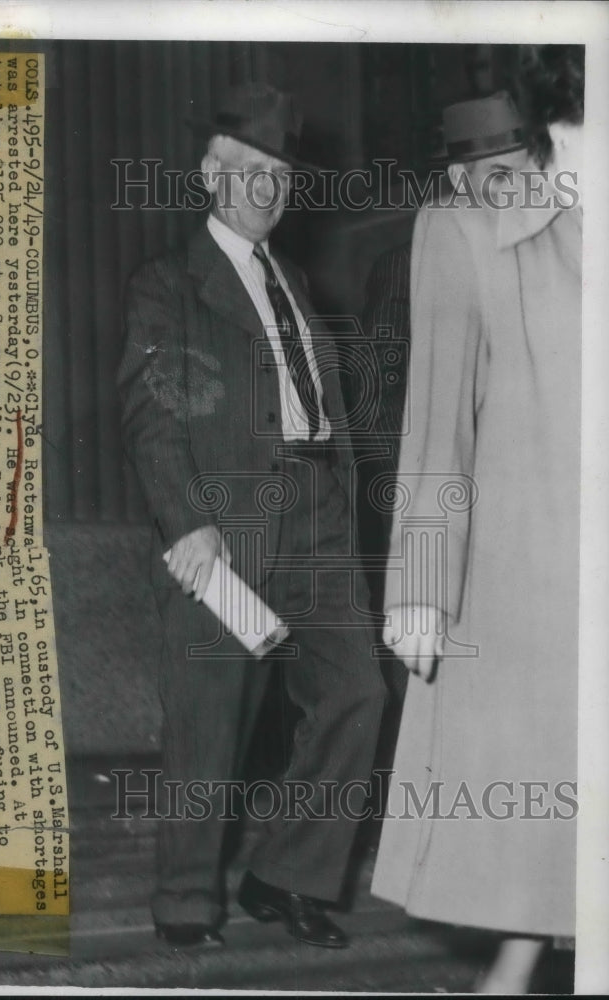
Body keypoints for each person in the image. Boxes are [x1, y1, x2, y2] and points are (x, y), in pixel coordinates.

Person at [118, 83, 385, 950]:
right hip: (224, 519)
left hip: (316, 512)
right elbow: (152, 417)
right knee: (209, 712)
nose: (267, 189)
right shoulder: (170, 285)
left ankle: (286, 876)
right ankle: (187, 900)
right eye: (249, 172)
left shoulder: (298, 285)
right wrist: (187, 525)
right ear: (209, 173)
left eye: (280, 175)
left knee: (355, 691)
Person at [371, 46, 584, 994]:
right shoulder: (461, 224)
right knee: (535, 797)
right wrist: (421, 589)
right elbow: (434, 424)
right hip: (526, 569)